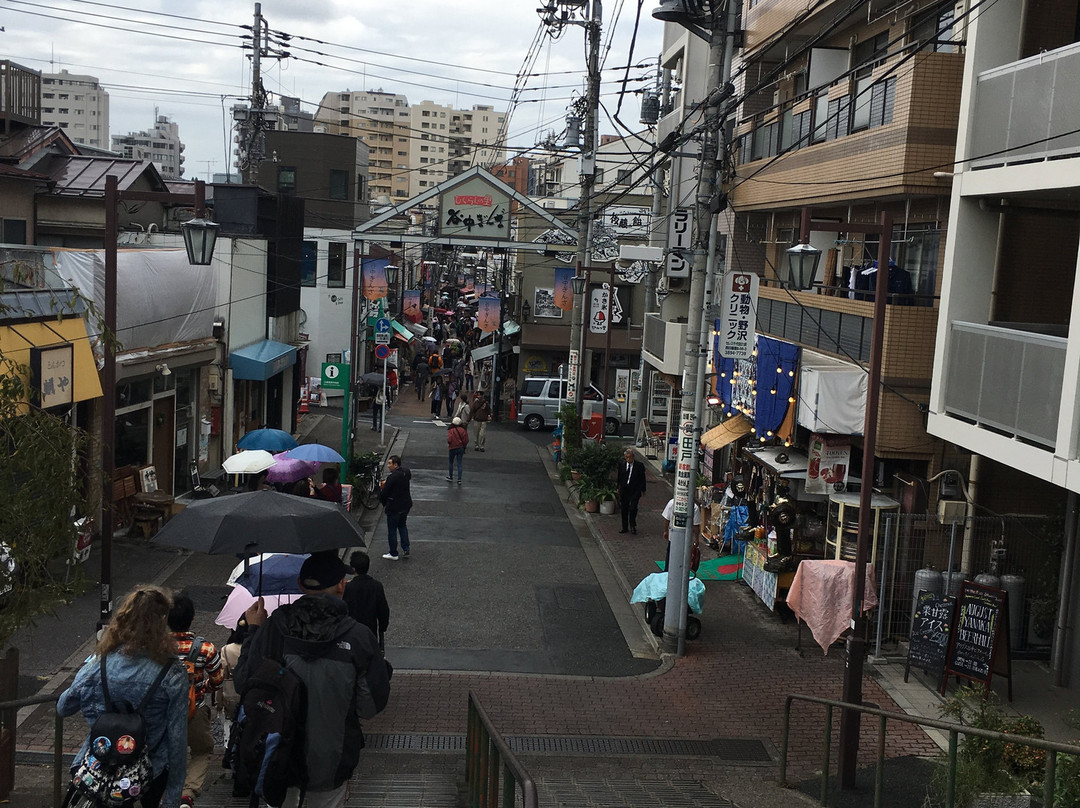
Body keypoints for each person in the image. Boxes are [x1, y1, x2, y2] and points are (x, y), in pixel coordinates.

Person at [235, 553, 392, 808]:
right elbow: (369, 706)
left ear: (300, 584)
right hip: (332, 760)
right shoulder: (359, 638)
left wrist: (254, 630)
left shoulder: (274, 628)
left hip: (275, 755)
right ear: (342, 584)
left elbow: (244, 684)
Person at [58, 586, 189, 808]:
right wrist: (174, 796)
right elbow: (176, 738)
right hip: (149, 772)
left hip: (99, 769)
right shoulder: (172, 672)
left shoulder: (99, 663)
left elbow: (63, 707)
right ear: (162, 622)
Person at [168, 592, 225, 807]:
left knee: (166, 751)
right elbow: (218, 680)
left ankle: (165, 790)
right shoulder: (206, 649)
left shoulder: (155, 648)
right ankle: (187, 794)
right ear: (192, 618)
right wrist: (205, 688)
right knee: (201, 751)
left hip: (162, 710)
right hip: (196, 709)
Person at [343, 551, 390, 648]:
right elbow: (383, 609)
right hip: (370, 630)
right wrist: (382, 627)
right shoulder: (376, 586)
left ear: (353, 568)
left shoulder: (348, 587)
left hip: (352, 630)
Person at [378, 454, 412, 560]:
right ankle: (406, 548)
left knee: (392, 530)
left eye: (390, 463)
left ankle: (393, 553)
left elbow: (385, 493)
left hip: (394, 507)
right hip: (405, 505)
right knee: (402, 526)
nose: (388, 466)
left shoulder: (392, 477)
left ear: (395, 465)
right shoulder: (406, 473)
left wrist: (383, 501)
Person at [662, 496, 703, 571]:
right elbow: (696, 526)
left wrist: (665, 531)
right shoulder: (694, 507)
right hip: (686, 538)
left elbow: (667, 519)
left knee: (670, 555)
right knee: (684, 557)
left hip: (673, 536)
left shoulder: (672, 502)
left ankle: (667, 572)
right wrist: (696, 539)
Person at [618, 448, 648, 534]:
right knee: (624, 508)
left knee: (633, 508)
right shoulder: (622, 465)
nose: (628, 459)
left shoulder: (639, 466)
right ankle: (624, 527)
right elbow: (619, 477)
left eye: (630, 457)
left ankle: (632, 525)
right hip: (625, 489)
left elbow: (643, 478)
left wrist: (643, 489)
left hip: (635, 490)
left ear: (633, 457)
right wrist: (619, 488)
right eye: (626, 457)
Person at [446, 416, 469, 484]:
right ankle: (459, 479)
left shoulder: (451, 430)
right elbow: (466, 440)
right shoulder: (463, 430)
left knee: (451, 462)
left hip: (452, 448)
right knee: (459, 463)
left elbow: (449, 440)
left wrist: (450, 443)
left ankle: (451, 476)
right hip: (460, 448)